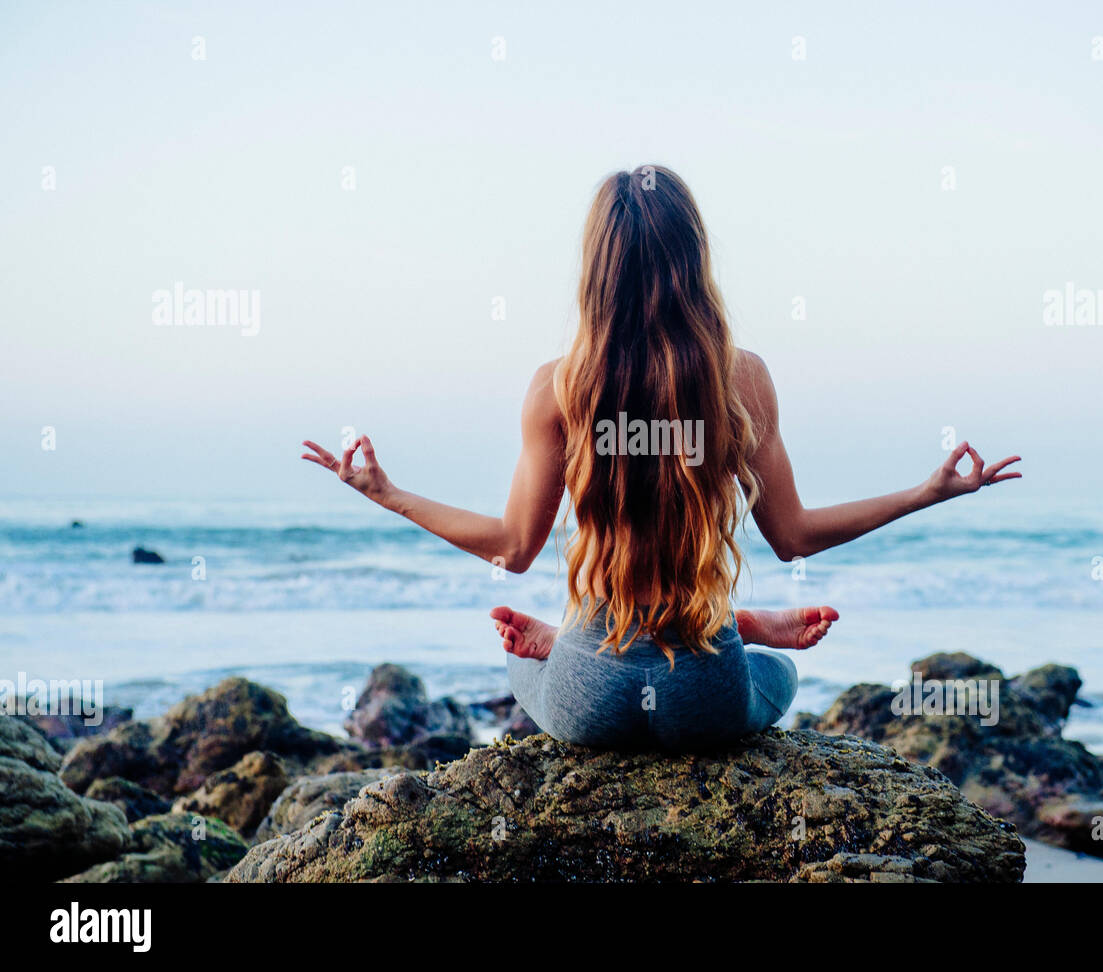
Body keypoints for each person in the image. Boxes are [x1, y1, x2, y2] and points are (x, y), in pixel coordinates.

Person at [301, 165, 1020, 750]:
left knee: (522, 670)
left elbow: (514, 549)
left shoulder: (558, 388)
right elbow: (794, 536)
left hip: (590, 691)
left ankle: (583, 634)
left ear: (595, 270)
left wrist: (386, 492)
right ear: (693, 259)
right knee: (778, 676)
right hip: (703, 691)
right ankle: (735, 626)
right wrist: (926, 492)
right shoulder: (743, 380)